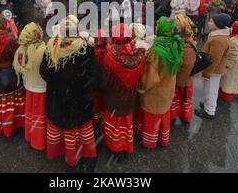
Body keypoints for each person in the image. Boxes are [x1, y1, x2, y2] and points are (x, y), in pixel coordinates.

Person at [39, 15, 98, 167]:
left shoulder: (51, 47)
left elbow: (44, 73)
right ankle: (81, 154)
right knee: (80, 127)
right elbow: (94, 76)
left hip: (57, 98)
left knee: (61, 126)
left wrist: (58, 82)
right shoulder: (85, 49)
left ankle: (62, 153)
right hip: (80, 99)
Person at [136, 17, 184, 150]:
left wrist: (141, 87)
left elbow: (150, 78)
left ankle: (150, 142)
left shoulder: (156, 51)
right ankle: (162, 138)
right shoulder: (175, 44)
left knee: (153, 116)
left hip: (155, 92)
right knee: (163, 113)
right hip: (168, 89)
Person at [101, 24, 145, 160]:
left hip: (114, 97)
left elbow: (103, 80)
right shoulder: (139, 54)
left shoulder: (110, 57)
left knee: (114, 123)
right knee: (126, 122)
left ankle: (115, 147)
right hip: (130, 96)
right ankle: (125, 146)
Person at [13, 22, 47, 151]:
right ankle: (40, 142)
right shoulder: (43, 50)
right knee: (40, 115)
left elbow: (19, 69)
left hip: (29, 86)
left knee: (32, 113)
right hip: (41, 88)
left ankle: (30, 136)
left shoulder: (21, 49)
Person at [195, 14, 231, 120]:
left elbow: (214, 59)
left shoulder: (218, 40)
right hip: (215, 70)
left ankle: (209, 111)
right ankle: (207, 104)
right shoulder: (218, 36)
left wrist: (207, 72)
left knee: (211, 90)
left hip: (213, 70)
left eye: (211, 21)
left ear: (218, 24)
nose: (209, 23)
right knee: (209, 89)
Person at [171, 14, 197, 124]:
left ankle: (184, 117)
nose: (175, 26)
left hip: (183, 79)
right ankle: (178, 115)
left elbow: (186, 64)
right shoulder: (181, 38)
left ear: (184, 26)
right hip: (180, 77)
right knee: (179, 99)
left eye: (178, 24)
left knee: (182, 98)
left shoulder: (186, 42)